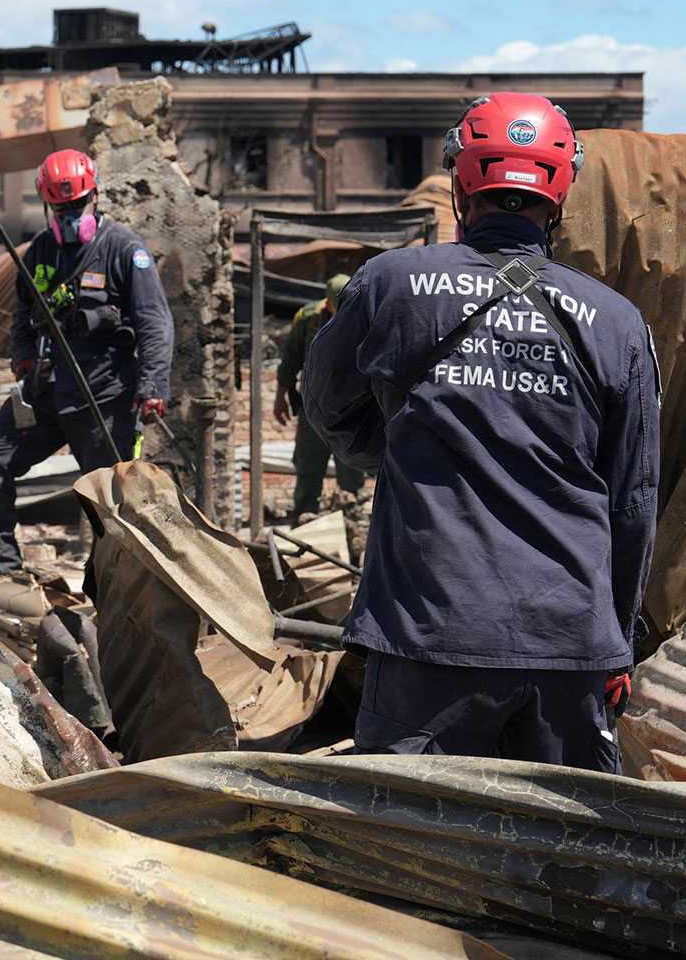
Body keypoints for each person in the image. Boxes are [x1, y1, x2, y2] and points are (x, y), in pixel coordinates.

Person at [300, 93, 660, 772]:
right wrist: (615, 640)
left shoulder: (389, 285)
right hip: (570, 646)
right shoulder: (617, 324)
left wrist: (407, 453)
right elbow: (632, 502)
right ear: (560, 193)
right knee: (569, 857)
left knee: (411, 853)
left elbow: (327, 409)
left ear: (461, 182)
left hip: (425, 641)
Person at [0, 149, 174, 576]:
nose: (67, 215)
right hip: (46, 392)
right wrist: (22, 362)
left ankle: (114, 588)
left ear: (94, 198)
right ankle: (2, 572)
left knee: (110, 503)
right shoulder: (40, 251)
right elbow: (22, 318)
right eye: (59, 209)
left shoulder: (124, 249)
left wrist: (154, 386)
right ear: (47, 206)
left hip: (104, 397)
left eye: (76, 206)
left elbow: (155, 321)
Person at [274, 273, 365, 521]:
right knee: (308, 465)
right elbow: (290, 358)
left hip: (353, 408)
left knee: (352, 468)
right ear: (328, 303)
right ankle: (304, 519)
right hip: (314, 406)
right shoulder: (309, 318)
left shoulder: (366, 314)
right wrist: (280, 397)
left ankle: (355, 521)